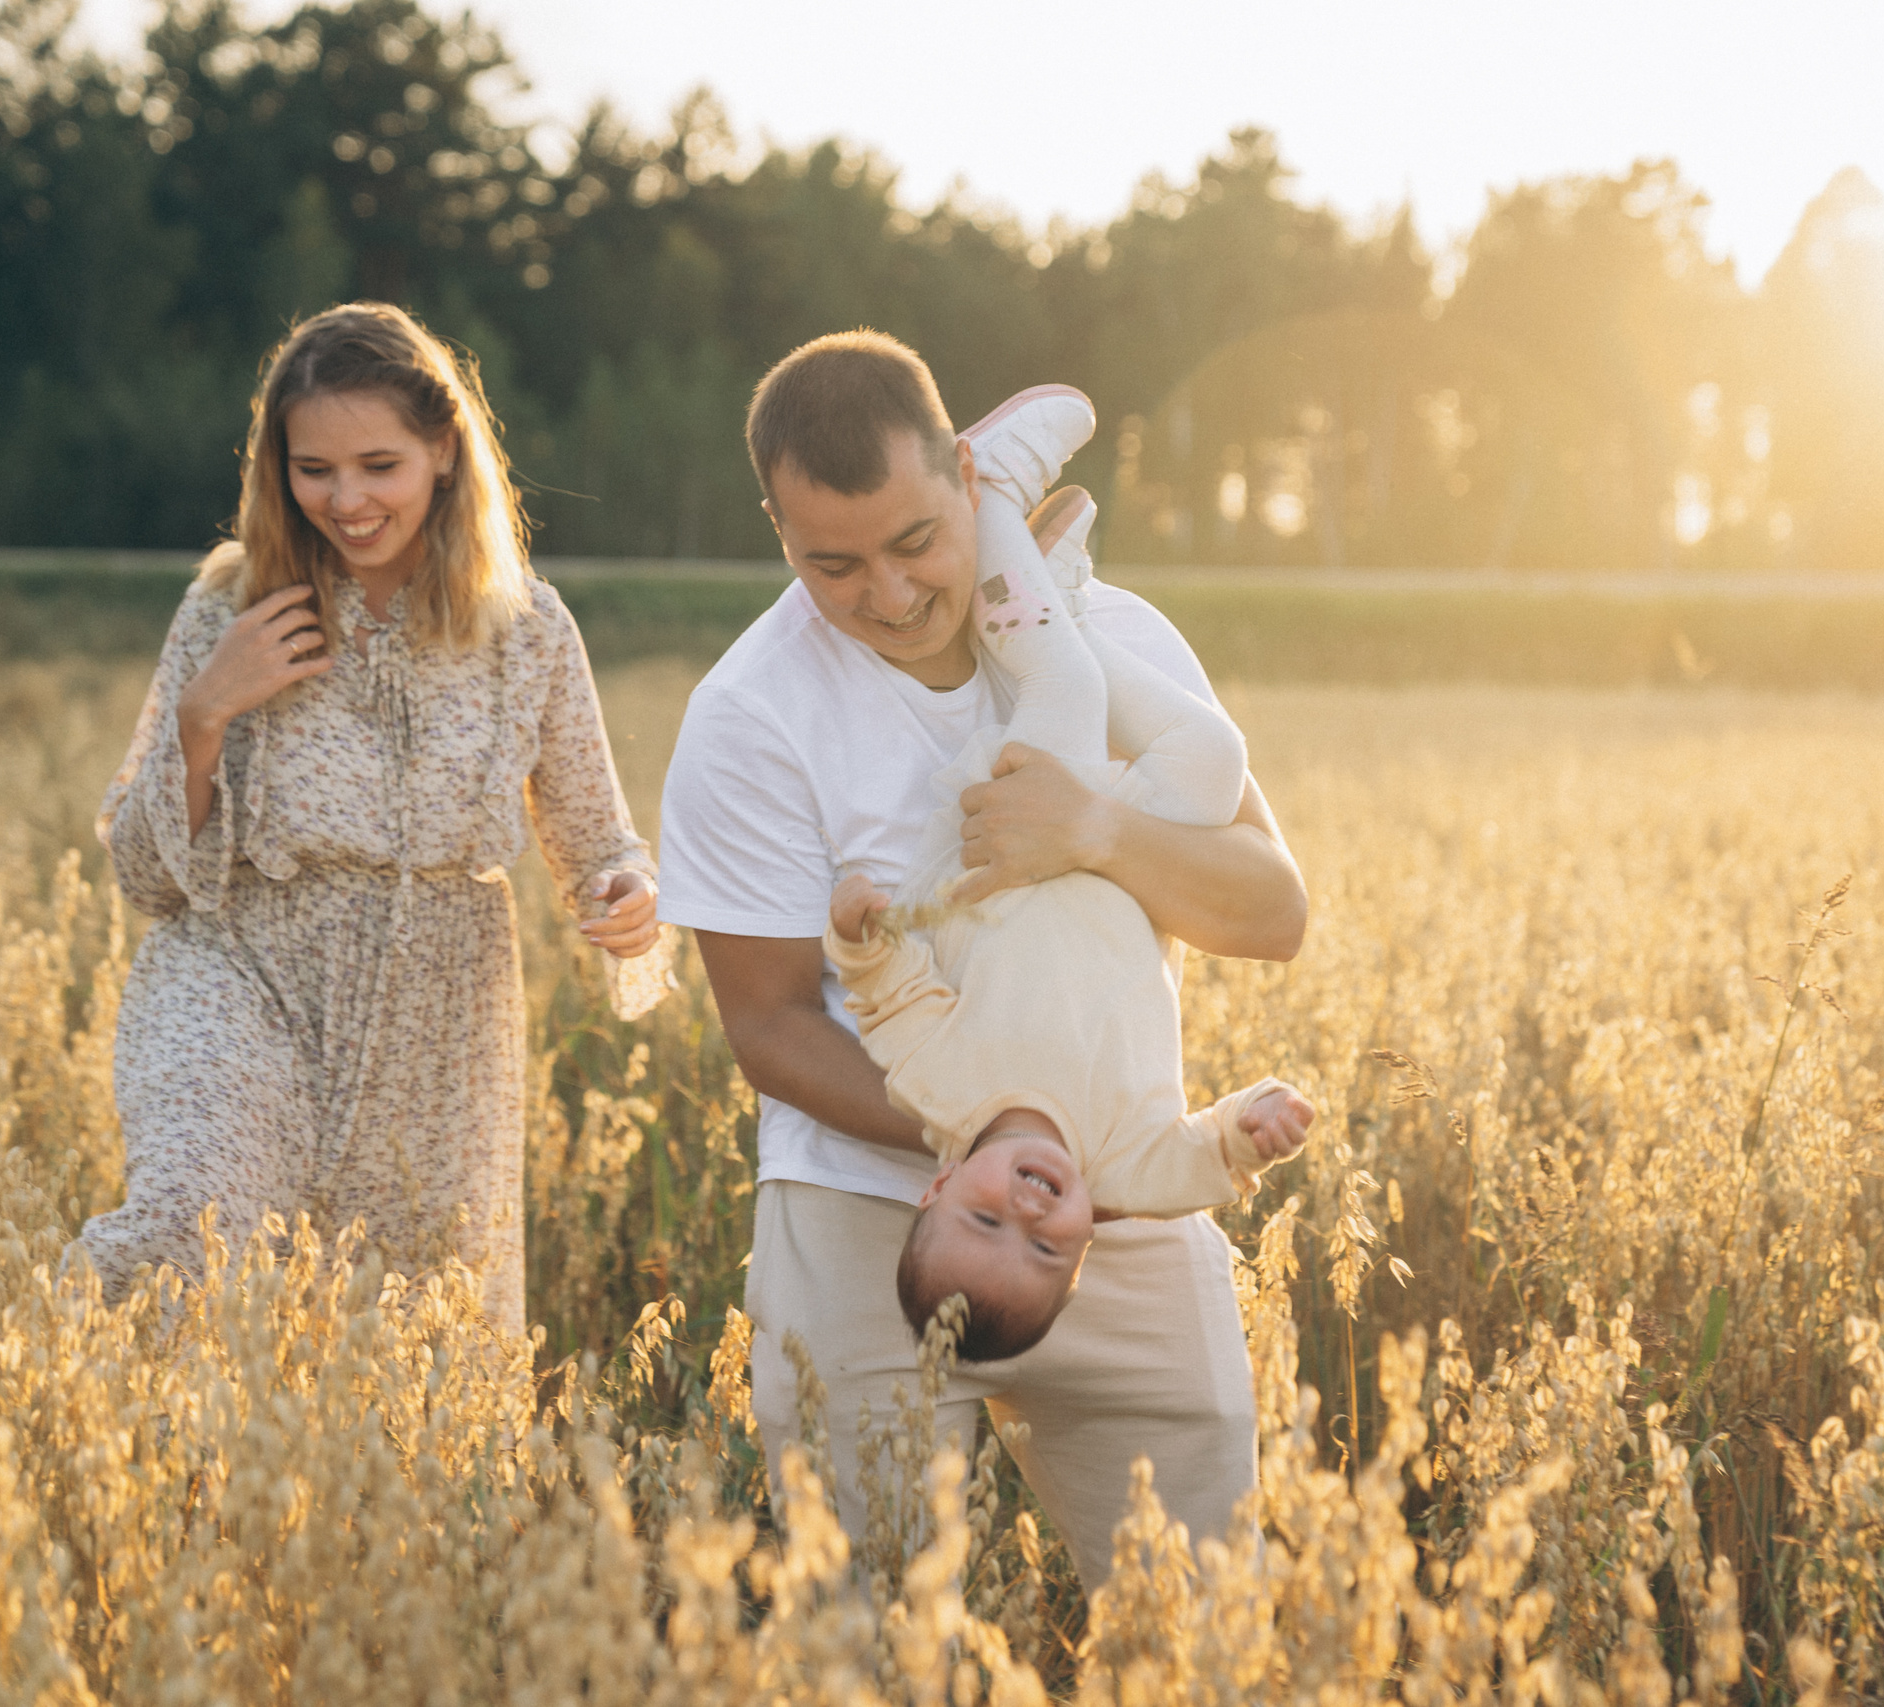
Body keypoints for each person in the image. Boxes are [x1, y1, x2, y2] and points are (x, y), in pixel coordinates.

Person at [657, 331, 1308, 1590]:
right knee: (871, 1628)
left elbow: (1272, 911)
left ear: (967, 474)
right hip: (865, 1215)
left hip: (1123, 1203)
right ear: (777, 532)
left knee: (1205, 1611)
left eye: (915, 544)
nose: (888, 597)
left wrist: (1099, 830)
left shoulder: (1108, 627)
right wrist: (986, 1146)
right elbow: (774, 1026)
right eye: (830, 565)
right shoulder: (749, 715)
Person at [78, 300, 670, 1338]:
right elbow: (145, 879)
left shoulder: (527, 629)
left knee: (410, 1325)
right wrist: (205, 711)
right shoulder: (228, 609)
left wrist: (626, 895)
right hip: (239, 975)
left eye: (378, 465)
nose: (345, 500)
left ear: (444, 451)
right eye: (314, 470)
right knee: (180, 1235)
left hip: (437, 1024)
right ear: (278, 468)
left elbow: (598, 841)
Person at [816, 417, 1316, 1362]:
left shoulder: (944, 1089)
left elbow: (885, 998)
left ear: (939, 1185)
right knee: (1213, 756)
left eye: (984, 1219)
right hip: (1100, 843)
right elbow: (1212, 1154)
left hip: (994, 839)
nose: (1027, 1211)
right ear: (1089, 1236)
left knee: (1070, 695)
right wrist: (1257, 1128)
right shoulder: (1131, 1163)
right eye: (1047, 1245)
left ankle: (990, 496)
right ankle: (1060, 598)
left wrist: (861, 933)